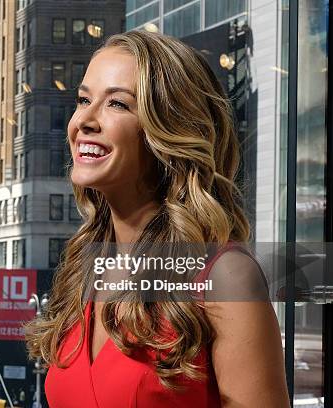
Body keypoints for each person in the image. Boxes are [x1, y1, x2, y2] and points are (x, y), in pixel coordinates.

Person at [24, 30, 289, 407]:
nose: (85, 119)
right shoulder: (85, 269)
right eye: (84, 99)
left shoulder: (224, 275)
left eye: (117, 104)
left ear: (170, 129)